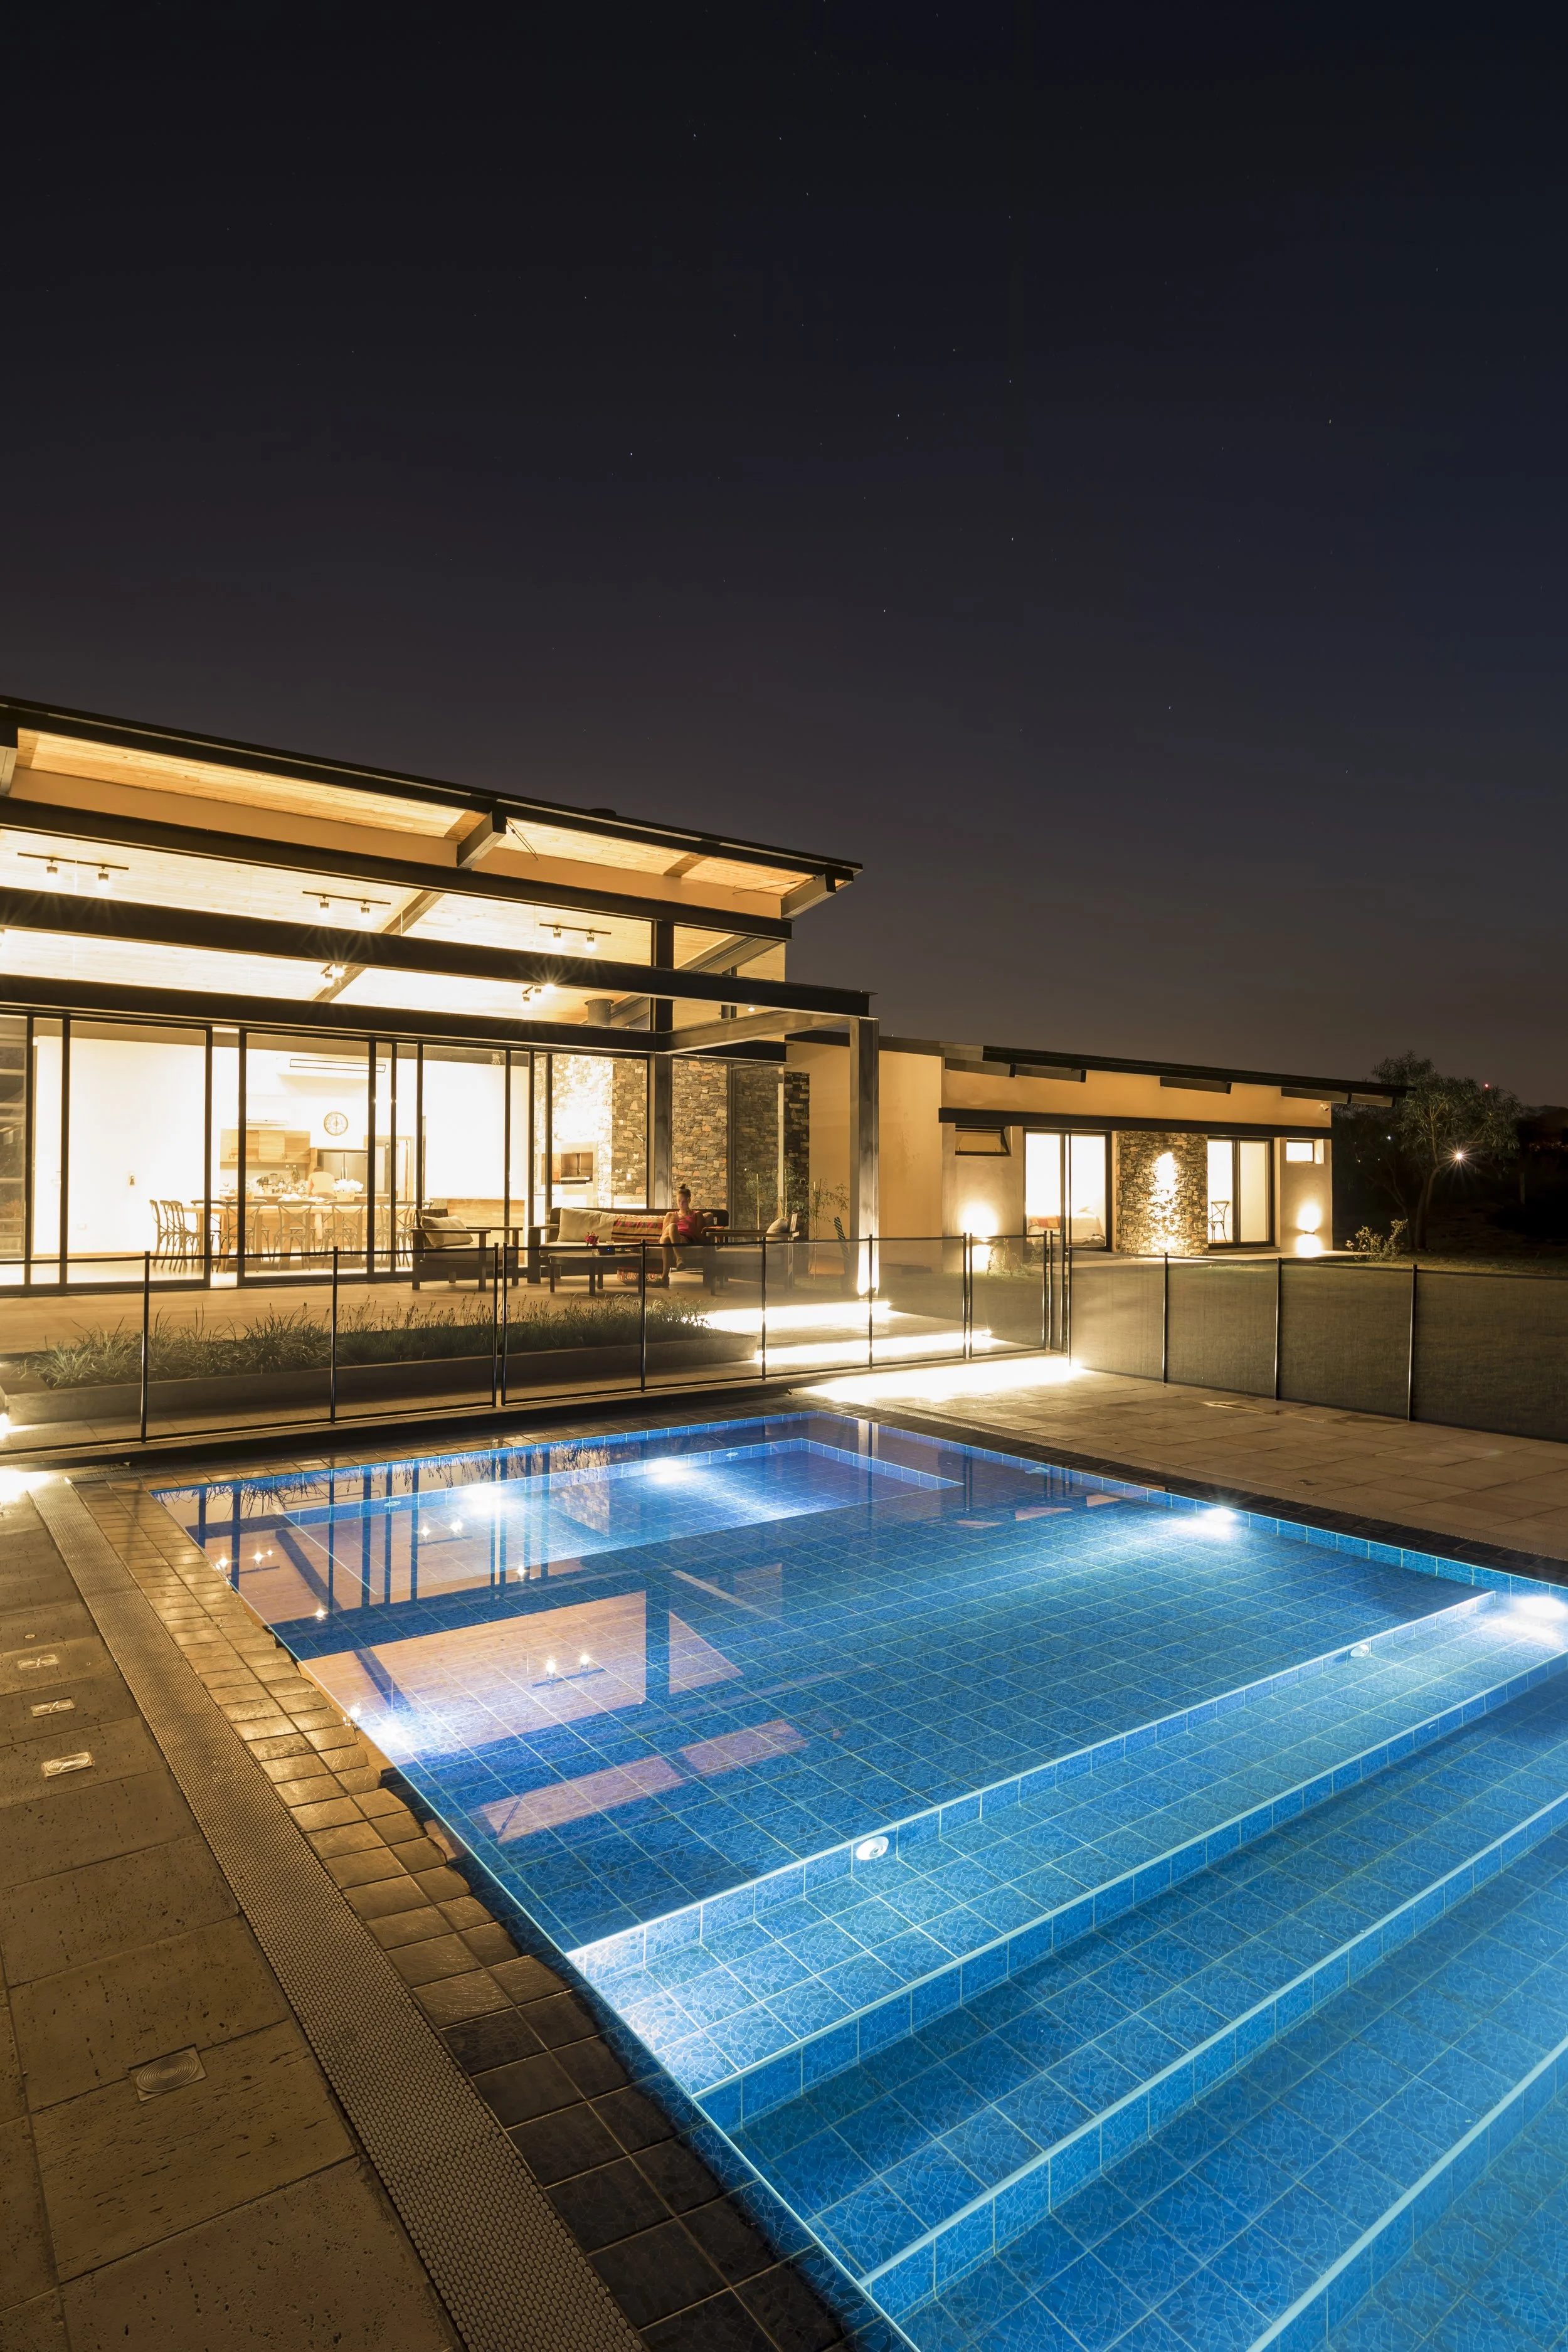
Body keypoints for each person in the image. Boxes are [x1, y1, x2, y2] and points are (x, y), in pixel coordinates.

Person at [658, 1185, 707, 1280]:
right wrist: (672, 1222)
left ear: (689, 1200)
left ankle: (664, 1278)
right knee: (671, 1229)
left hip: (685, 1239)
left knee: (668, 1238)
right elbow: (662, 1237)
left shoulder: (697, 1215)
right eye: (679, 1201)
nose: (681, 1204)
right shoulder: (670, 1215)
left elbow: (702, 1238)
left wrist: (690, 1226)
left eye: (684, 1202)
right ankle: (679, 1258)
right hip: (667, 1237)